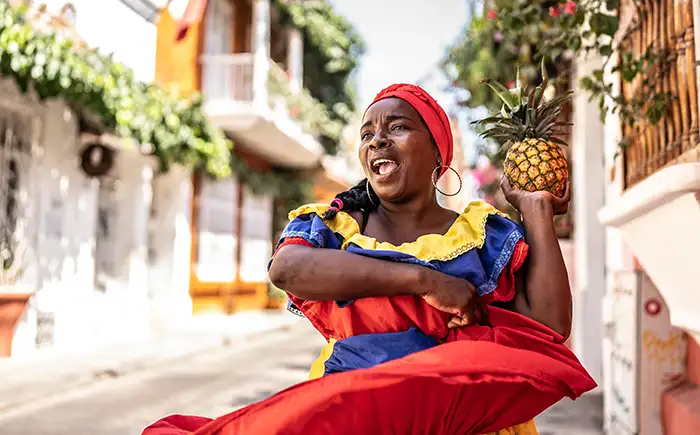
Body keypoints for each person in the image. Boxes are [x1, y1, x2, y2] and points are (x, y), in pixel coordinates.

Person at [143, 84, 596, 435]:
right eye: (368, 133)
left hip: (472, 425)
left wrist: (536, 208)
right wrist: (426, 281)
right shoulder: (337, 226)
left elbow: (550, 328)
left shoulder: (483, 233)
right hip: (355, 418)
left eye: (397, 127)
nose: (378, 140)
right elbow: (289, 270)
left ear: (439, 153)